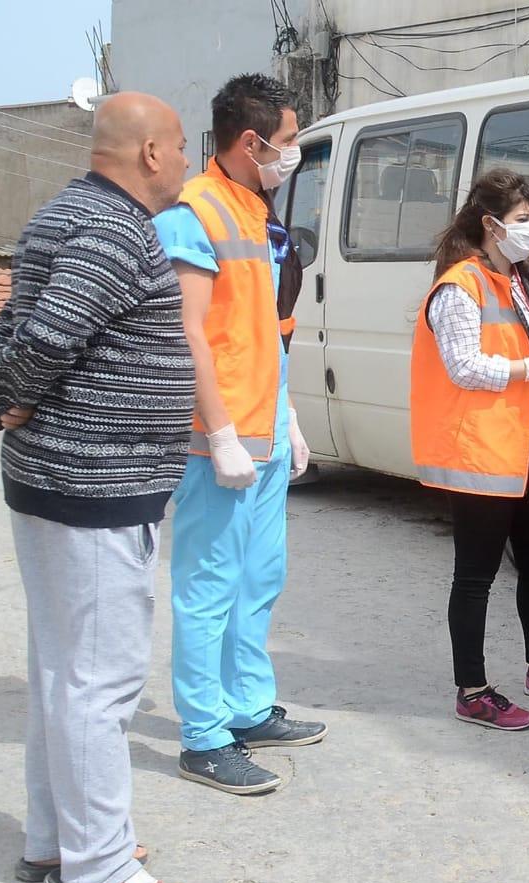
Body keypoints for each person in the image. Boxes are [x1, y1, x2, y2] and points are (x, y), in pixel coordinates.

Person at [0, 92, 191, 883]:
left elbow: (9, 321)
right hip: (95, 486)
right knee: (99, 681)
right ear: (149, 154)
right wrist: (2, 398)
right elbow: (48, 335)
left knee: (63, 673)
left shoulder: (60, 214)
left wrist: (1, 392)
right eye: (178, 144)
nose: (184, 160)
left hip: (59, 481)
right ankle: (96, 865)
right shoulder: (113, 227)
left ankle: (54, 836)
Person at [155, 74, 325, 796]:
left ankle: (247, 706)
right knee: (207, 586)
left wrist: (286, 417)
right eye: (287, 142)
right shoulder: (193, 213)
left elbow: (262, 333)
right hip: (216, 440)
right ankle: (203, 734)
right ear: (250, 141)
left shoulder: (252, 210)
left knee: (258, 578)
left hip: (262, 431)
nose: (292, 154)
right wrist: (219, 431)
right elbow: (187, 331)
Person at [412, 169, 529, 730]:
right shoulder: (459, 286)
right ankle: (471, 690)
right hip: (479, 446)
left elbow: (528, 348)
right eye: (523, 220)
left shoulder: (526, 280)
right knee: (475, 576)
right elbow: (464, 366)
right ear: (491, 225)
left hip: (526, 436)